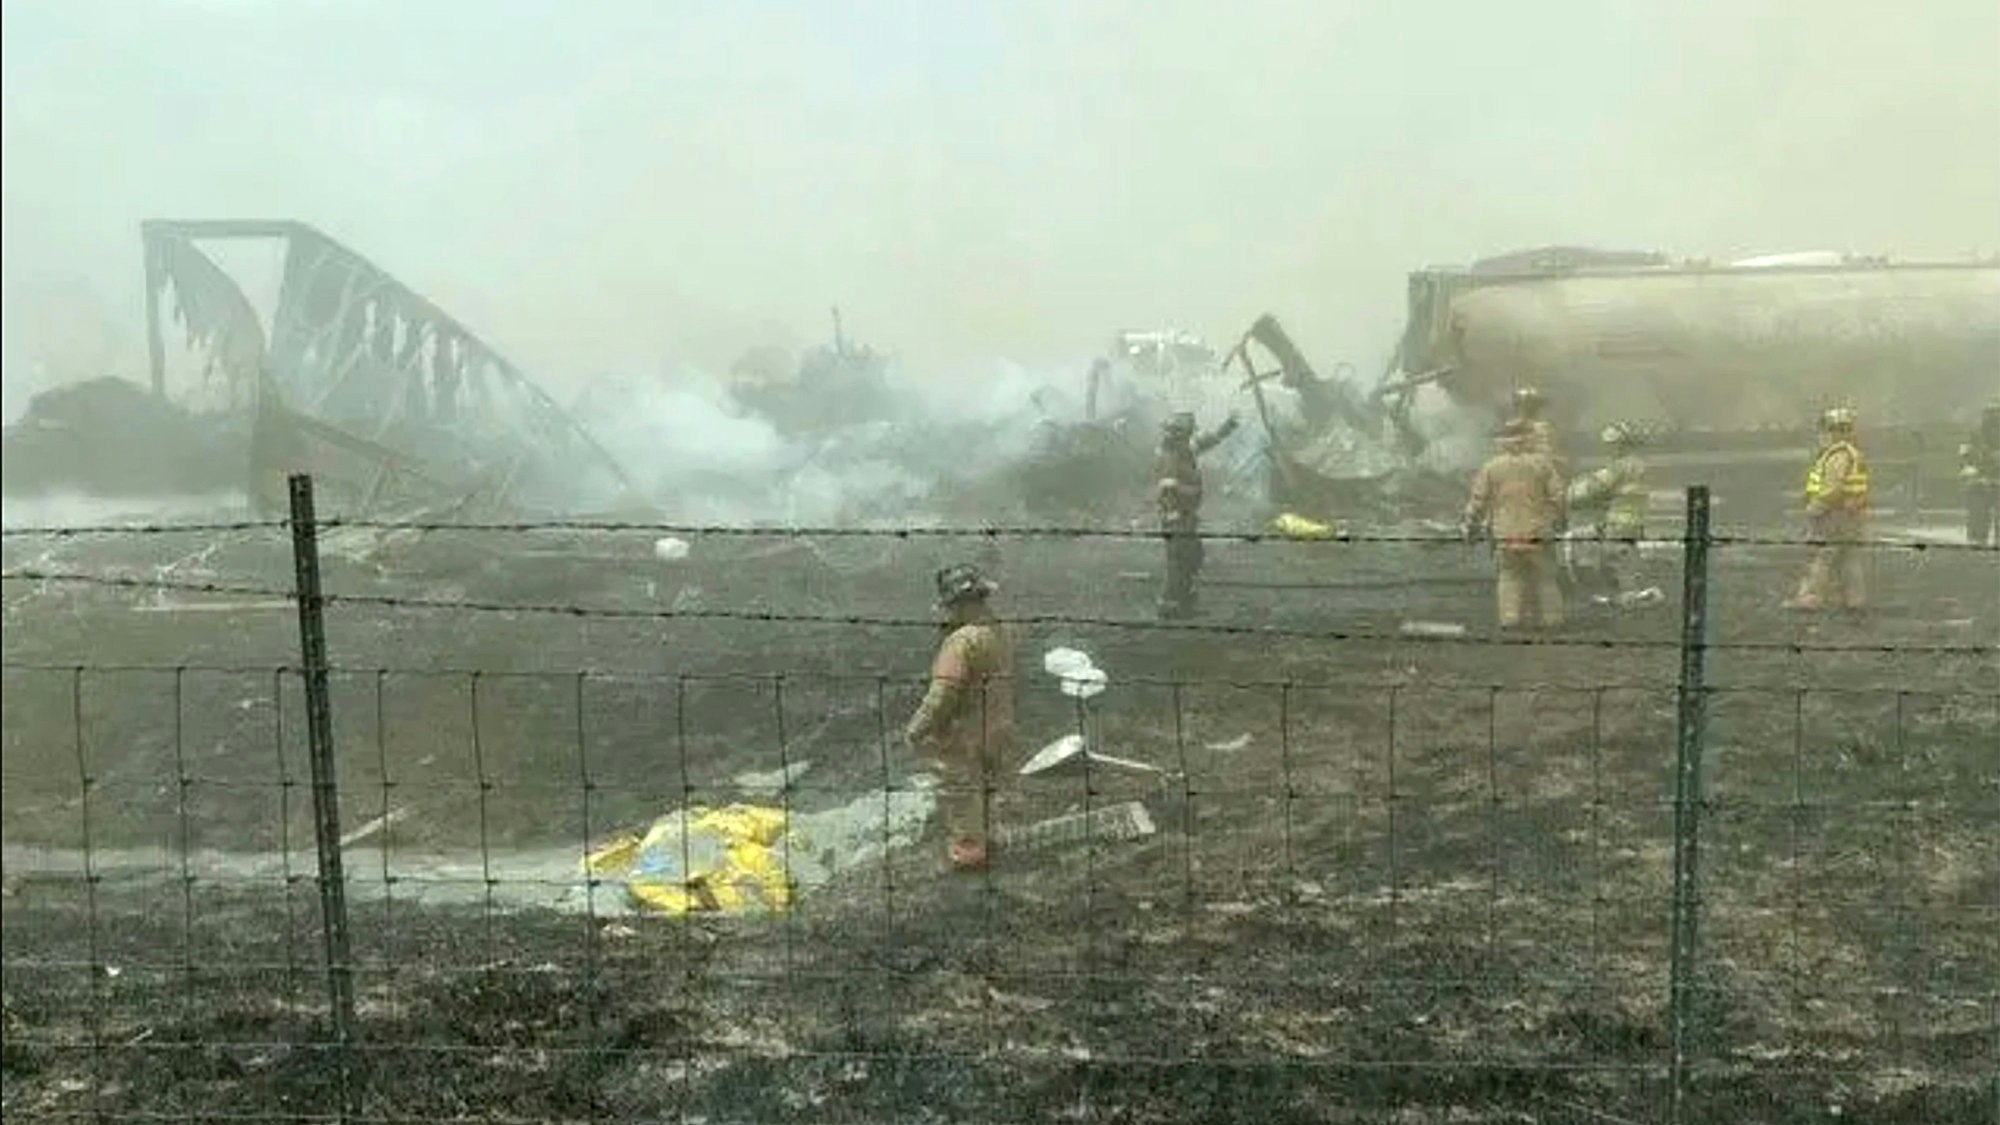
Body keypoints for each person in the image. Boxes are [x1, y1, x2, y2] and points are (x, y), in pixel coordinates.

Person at [904, 564, 1016, 871]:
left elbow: (943, 694)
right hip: (998, 725)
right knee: (986, 789)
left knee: (960, 795)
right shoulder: (1001, 630)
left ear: (960, 604)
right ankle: (988, 841)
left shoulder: (961, 642)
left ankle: (968, 861)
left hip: (964, 735)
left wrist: (917, 728)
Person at [1464, 419, 1567, 630]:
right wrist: (1560, 520)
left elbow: (1478, 501)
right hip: (1538, 532)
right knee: (1545, 578)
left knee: (1510, 577)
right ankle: (1552, 620)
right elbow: (1559, 497)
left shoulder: (1491, 467)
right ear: (1528, 439)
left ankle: (1510, 620)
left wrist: (1471, 524)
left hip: (1505, 534)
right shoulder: (1542, 465)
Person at [1154, 410, 1240, 619]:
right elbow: (1167, 490)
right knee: (1180, 560)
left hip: (1185, 515)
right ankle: (1171, 606)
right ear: (1179, 434)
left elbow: (1207, 442)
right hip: (1176, 517)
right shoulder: (1170, 456)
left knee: (1191, 557)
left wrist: (1228, 426)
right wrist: (1178, 514)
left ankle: (1184, 602)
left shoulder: (1184, 450)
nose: (1191, 437)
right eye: (1188, 433)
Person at [1787, 406, 1871, 612]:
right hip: (1852, 514)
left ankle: (1810, 597)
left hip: (1835, 515)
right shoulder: (1852, 454)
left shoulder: (1836, 456)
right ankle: (1855, 599)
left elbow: (1833, 489)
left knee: (1823, 556)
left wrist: (1815, 508)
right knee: (1849, 558)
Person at [1564, 423, 1649, 596]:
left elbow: (1594, 487)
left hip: (1620, 521)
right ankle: (1628, 593)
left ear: (1621, 444)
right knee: (1624, 558)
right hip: (1633, 520)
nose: (1610, 449)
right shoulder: (1637, 464)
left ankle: (1628, 598)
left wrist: (1571, 491)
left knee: (1617, 560)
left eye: (1612, 445)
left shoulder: (1620, 467)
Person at [1960, 403, 2000, 547]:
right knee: (1977, 515)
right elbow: (1966, 455)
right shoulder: (1975, 434)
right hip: (1980, 479)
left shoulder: (1976, 434)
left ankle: (1978, 538)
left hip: (1986, 478)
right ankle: (1977, 539)